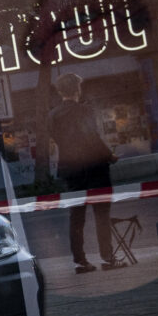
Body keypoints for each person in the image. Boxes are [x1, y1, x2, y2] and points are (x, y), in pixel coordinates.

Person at [44, 70, 119, 272]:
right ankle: (107, 258)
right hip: (94, 167)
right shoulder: (85, 111)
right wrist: (109, 155)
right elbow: (92, 137)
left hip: (71, 169)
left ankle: (80, 261)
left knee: (76, 217)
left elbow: (58, 140)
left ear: (60, 91)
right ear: (77, 89)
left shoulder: (52, 116)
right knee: (101, 214)